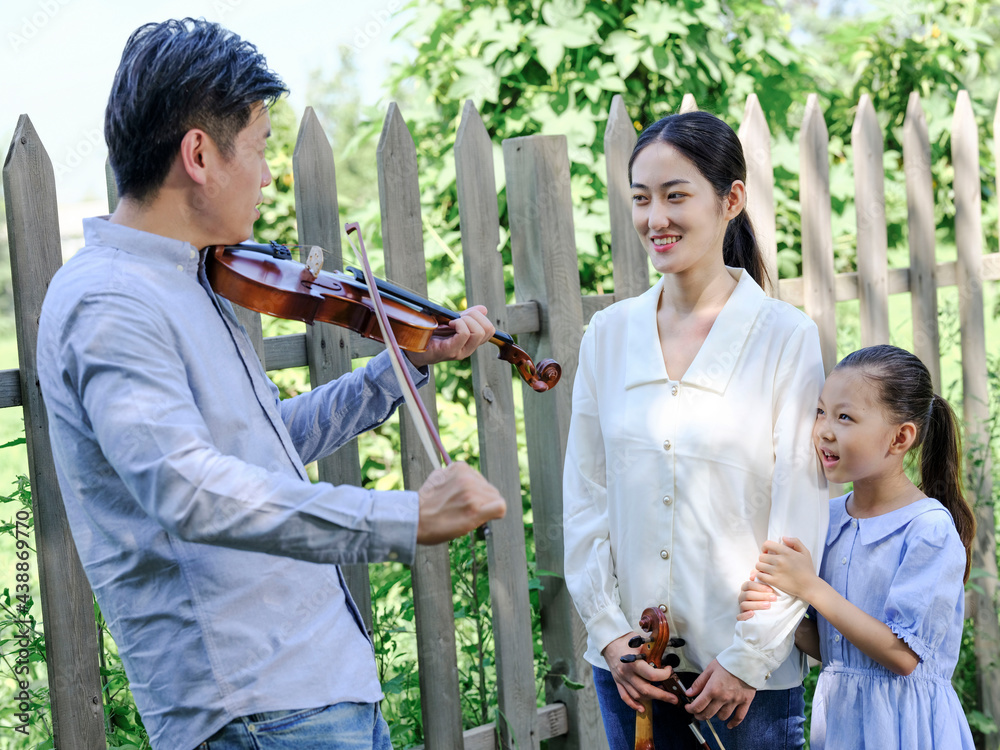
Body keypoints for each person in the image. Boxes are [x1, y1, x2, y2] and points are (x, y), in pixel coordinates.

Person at [36, 18, 506, 750]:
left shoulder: (192, 281)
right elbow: (188, 490)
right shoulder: (110, 300)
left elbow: (267, 444)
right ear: (199, 153)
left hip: (313, 693)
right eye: (257, 149)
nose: (266, 174)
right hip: (257, 711)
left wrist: (402, 364)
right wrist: (404, 517)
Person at [562, 110, 828, 749]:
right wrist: (607, 632)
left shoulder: (785, 338)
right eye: (641, 199)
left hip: (745, 684)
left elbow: (799, 513)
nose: (656, 218)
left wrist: (750, 656)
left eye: (676, 195)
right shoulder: (608, 335)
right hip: (632, 671)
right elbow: (585, 498)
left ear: (731, 199)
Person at [739, 345, 976, 749]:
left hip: (908, 730)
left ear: (901, 437)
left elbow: (902, 656)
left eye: (844, 417)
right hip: (843, 727)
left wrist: (810, 587)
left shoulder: (928, 529)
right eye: (820, 412)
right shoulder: (827, 518)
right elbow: (837, 650)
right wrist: (784, 616)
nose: (824, 430)